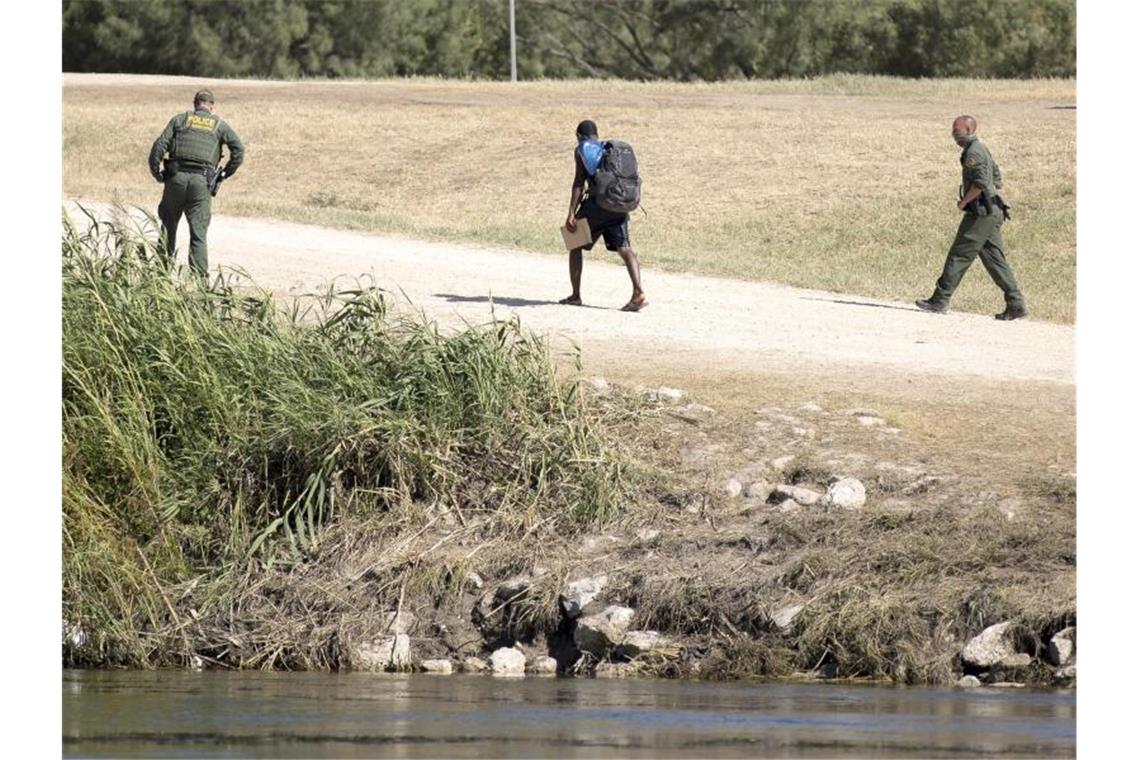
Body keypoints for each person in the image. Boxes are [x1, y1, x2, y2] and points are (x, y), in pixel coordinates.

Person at [916, 115, 1027, 321]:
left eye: (956, 131)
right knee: (995, 260)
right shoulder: (979, 149)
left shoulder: (974, 152)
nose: (954, 135)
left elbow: (981, 183)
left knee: (959, 254)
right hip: (991, 210)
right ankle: (1016, 303)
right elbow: (996, 178)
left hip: (981, 212)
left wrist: (964, 202)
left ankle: (940, 299)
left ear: (968, 130)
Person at [148, 89, 245, 278]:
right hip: (201, 183)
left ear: (195, 103)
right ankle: (199, 286)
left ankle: (160, 279)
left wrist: (157, 173)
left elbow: (159, 146)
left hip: (175, 180)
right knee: (198, 235)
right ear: (211, 106)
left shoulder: (180, 120)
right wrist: (224, 174)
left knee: (167, 229)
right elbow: (239, 150)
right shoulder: (219, 125)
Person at [561, 119, 647, 312]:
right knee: (625, 247)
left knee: (574, 242)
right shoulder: (608, 151)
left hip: (598, 205)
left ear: (579, 136)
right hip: (620, 203)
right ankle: (639, 291)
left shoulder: (583, 149)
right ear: (596, 135)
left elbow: (578, 183)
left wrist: (571, 214)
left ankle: (575, 296)